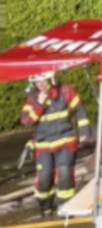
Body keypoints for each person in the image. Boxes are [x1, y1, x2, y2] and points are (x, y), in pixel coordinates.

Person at [21, 71, 92, 216]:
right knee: (44, 177)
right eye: (37, 82)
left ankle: (65, 206)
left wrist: (84, 131)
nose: (40, 84)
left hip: (65, 141)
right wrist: (39, 104)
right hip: (43, 145)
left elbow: (80, 110)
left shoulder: (65, 92)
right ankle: (45, 207)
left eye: (43, 80)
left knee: (64, 173)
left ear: (50, 78)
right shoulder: (32, 98)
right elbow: (26, 121)